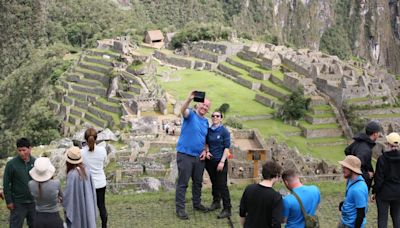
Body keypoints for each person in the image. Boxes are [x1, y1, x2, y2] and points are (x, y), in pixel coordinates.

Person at [175, 91, 211, 220]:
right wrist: (189, 98)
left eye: (207, 106)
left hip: (199, 157)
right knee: (183, 183)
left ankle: (197, 204)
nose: (204, 107)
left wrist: (205, 150)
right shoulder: (190, 114)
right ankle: (180, 209)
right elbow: (182, 110)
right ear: (198, 104)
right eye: (203, 104)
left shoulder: (206, 122)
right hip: (185, 155)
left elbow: (205, 139)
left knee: (198, 183)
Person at [3, 138, 36, 228]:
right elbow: (6, 184)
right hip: (18, 203)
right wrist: (9, 201)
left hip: (33, 202)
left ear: (30, 149)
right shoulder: (11, 164)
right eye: (19, 150)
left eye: (24, 150)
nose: (22, 153)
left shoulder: (36, 162)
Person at [239, 161, 283, 228]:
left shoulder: (249, 189)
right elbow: (276, 223)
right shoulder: (276, 197)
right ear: (276, 175)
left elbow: (242, 213)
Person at [205, 111, 232, 219]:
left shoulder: (224, 131)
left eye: (218, 116)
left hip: (220, 162)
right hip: (210, 162)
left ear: (221, 118)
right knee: (214, 183)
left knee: (222, 185)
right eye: (213, 116)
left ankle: (227, 208)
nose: (215, 117)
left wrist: (221, 162)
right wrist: (207, 151)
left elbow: (226, 148)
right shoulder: (209, 130)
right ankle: (216, 202)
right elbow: (206, 143)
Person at [63, 146, 97, 228]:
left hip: (77, 209)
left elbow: (68, 198)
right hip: (88, 206)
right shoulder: (87, 171)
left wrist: (62, 199)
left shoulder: (72, 175)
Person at [372, 132, 400, 228]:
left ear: (388, 144)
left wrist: (374, 191)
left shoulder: (382, 159)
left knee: (382, 218)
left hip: (384, 193)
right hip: (398, 192)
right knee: (397, 217)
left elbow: (379, 178)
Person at [81, 128, 108, 228]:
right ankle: (104, 225)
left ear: (85, 139)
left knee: (89, 207)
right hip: (100, 182)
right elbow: (104, 163)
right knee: (101, 206)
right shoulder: (102, 150)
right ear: (96, 138)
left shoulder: (81, 152)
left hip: (88, 183)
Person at [344, 121, 381, 190]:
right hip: (359, 184)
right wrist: (366, 175)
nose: (379, 135)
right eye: (378, 133)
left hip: (353, 182)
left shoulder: (359, 142)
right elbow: (355, 167)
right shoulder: (365, 150)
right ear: (375, 134)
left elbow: (347, 151)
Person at [28, 157, 63, 228]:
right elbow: (62, 197)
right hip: (54, 217)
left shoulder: (31, 184)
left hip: (38, 217)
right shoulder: (56, 183)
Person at [338, 155, 368, 228]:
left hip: (351, 225)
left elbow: (361, 214)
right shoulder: (351, 180)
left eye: (345, 167)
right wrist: (344, 204)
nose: (342, 169)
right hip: (344, 221)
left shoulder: (358, 189)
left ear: (352, 169)